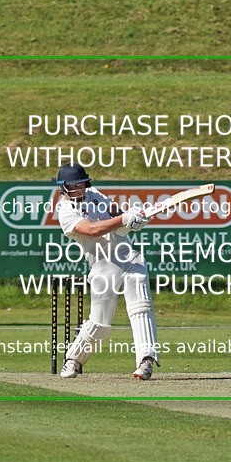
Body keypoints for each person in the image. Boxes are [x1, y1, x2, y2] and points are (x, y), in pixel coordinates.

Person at [54, 163, 159, 380]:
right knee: (100, 323)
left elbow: (117, 217)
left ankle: (146, 360)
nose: (79, 189)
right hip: (103, 266)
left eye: (82, 184)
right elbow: (92, 230)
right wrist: (123, 220)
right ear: (63, 188)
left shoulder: (94, 194)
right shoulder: (65, 211)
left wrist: (133, 221)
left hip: (128, 257)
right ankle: (74, 359)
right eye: (73, 186)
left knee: (142, 306)